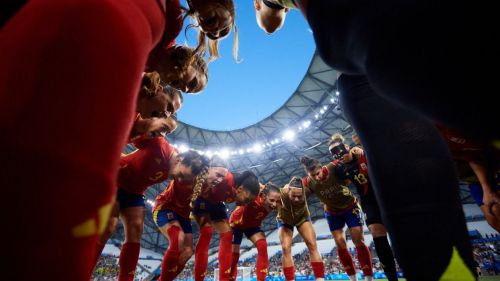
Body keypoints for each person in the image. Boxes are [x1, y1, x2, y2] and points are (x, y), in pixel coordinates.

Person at [0, 0, 238, 279]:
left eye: (189, 92)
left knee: (118, 226)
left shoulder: (145, 63)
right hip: (103, 173)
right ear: (193, 60)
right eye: (192, 83)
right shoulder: (168, 25)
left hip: (122, 185)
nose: (185, 88)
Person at [255, 2, 482, 279]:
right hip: (376, 59)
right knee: (407, 197)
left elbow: (268, 24)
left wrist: (266, 5)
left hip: (371, 56)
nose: (338, 153)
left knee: (417, 185)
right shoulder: (333, 170)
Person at [329, 133, 398, 281]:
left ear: (347, 146)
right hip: (368, 201)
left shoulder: (362, 153)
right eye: (334, 153)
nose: (339, 154)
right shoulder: (341, 169)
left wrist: (361, 146)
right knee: (376, 230)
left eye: (340, 149)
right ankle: (392, 277)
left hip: (387, 195)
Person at [300, 156, 373, 281]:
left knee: (358, 240)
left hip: (350, 207)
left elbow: (349, 163)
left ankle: (368, 277)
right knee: (340, 243)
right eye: (312, 175)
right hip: (332, 212)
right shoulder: (307, 182)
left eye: (317, 173)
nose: (316, 177)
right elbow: (298, 196)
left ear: (322, 168)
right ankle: (352, 278)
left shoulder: (333, 167)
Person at [193, 161, 261, 281]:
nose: (247, 204)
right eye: (247, 200)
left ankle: (224, 279)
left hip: (216, 203)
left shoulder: (245, 187)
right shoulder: (225, 180)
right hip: (201, 199)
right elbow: (199, 177)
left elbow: (262, 190)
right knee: (207, 232)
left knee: (228, 235)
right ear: (240, 189)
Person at [152, 154, 210, 281]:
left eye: (183, 176)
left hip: (183, 215)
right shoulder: (178, 170)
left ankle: (163, 278)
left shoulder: (204, 184)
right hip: (165, 207)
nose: (178, 177)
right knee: (178, 238)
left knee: (188, 252)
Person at [435, 124, 500, 232]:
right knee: (492, 218)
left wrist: (488, 190)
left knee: (495, 209)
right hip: (473, 177)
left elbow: (474, 156)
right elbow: (470, 156)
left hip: (489, 166)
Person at [276, 177, 326, 281]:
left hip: (302, 218)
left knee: (312, 244)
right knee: (285, 248)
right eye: (293, 196)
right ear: (288, 190)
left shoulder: (307, 190)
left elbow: (318, 180)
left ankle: (320, 278)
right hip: (285, 220)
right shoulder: (280, 193)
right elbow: (263, 188)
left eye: (300, 196)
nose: (297, 199)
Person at [228, 182, 281, 281]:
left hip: (252, 226)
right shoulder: (253, 197)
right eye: (271, 200)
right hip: (236, 224)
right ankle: (229, 278)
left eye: (276, 201)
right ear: (264, 196)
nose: (274, 204)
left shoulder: (275, 202)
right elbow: (246, 183)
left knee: (262, 246)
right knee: (234, 256)